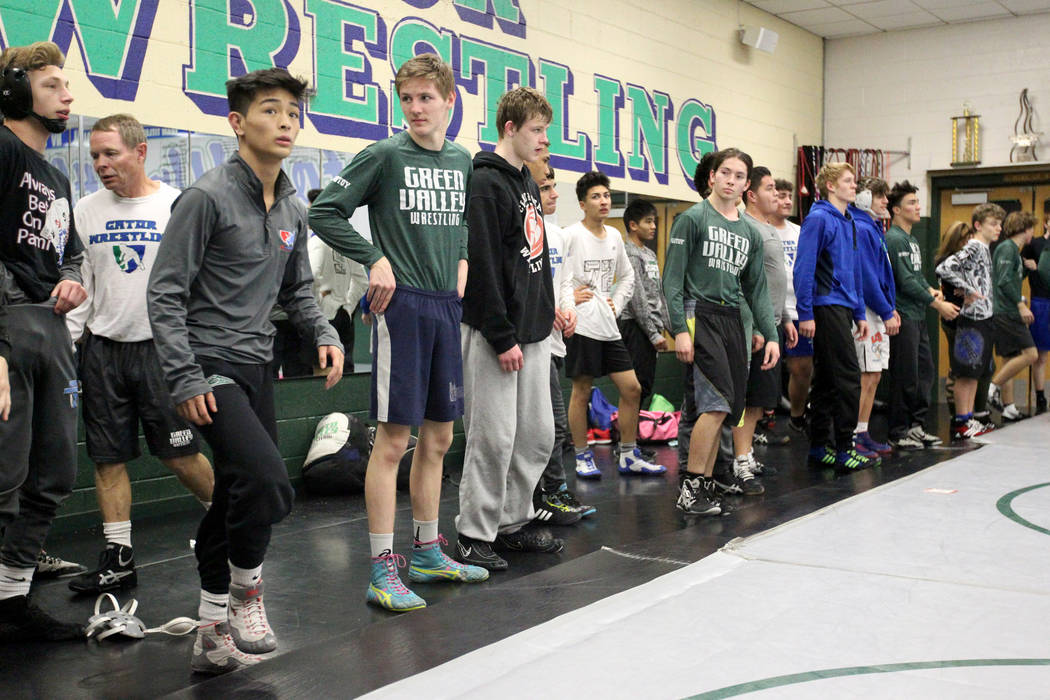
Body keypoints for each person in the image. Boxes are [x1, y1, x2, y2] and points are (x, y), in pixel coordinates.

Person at [148, 67, 344, 673]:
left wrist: (322, 330)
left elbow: (299, 287)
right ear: (237, 122)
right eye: (269, 111)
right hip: (208, 365)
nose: (286, 121)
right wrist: (183, 377)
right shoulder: (205, 197)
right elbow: (164, 293)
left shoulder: (291, 203)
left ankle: (210, 631)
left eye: (292, 112)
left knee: (240, 491)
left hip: (258, 363)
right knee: (265, 482)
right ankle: (245, 595)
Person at [309, 54, 488, 608]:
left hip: (444, 307)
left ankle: (429, 550)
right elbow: (325, 212)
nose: (414, 107)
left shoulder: (464, 161)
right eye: (406, 97)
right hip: (402, 306)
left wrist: (461, 261)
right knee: (392, 442)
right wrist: (374, 260)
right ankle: (382, 567)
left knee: (439, 438)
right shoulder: (385, 154)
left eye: (425, 97)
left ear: (449, 101)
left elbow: (460, 222)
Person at [64, 114, 215, 595]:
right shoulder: (85, 210)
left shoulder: (176, 205)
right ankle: (119, 557)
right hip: (103, 351)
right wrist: (70, 343)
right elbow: (81, 285)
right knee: (107, 460)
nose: (101, 164)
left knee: (181, 454)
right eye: (95, 156)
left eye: (111, 154)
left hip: (162, 351)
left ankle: (231, 525)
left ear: (140, 151)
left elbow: (200, 281)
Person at [456, 87, 568, 570]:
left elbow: (532, 260)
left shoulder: (525, 181)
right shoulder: (485, 181)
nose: (544, 140)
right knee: (492, 436)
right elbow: (481, 264)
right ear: (510, 129)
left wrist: (547, 314)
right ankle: (472, 532)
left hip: (535, 331)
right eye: (537, 130)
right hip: (495, 332)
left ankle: (511, 523)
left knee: (538, 435)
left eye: (545, 130)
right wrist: (502, 336)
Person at [0, 40, 88, 642]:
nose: (67, 95)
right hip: (6, 327)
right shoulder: (1, 149)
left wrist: (73, 282)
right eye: (53, 84)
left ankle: (11, 600)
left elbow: (73, 254)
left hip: (50, 331)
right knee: (2, 479)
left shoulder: (56, 176)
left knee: (52, 473)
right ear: (14, 89)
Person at [664, 148, 779, 516]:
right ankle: (691, 487)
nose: (731, 180)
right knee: (712, 407)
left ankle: (707, 482)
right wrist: (680, 329)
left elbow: (757, 288)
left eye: (739, 175)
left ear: (747, 185)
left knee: (727, 407)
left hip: (732, 321)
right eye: (725, 172)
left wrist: (771, 333)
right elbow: (672, 280)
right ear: (712, 177)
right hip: (702, 316)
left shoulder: (750, 232)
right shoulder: (692, 219)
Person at [561, 171, 664, 479]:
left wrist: (616, 304)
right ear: (582, 203)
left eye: (606, 195)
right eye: (596, 196)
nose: (603, 201)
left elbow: (628, 276)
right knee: (581, 390)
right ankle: (581, 455)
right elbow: (562, 279)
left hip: (609, 325)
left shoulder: (616, 237)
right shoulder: (571, 235)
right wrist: (568, 307)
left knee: (632, 388)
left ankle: (629, 454)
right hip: (581, 325)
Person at [794, 162, 878, 470]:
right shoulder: (818, 219)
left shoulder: (849, 221)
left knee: (828, 379)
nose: (854, 186)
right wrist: (805, 312)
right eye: (848, 181)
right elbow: (804, 268)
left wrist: (859, 312)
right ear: (830, 185)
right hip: (825, 305)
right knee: (848, 377)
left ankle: (819, 446)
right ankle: (845, 448)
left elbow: (853, 269)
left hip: (844, 306)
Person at [528, 159, 593, 522]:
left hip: (553, 342)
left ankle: (552, 492)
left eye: (554, 187)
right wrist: (546, 310)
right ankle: (548, 493)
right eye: (546, 188)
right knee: (550, 424)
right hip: (530, 341)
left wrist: (567, 310)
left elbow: (564, 282)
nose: (554, 195)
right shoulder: (524, 230)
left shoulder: (557, 235)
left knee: (553, 425)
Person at [734, 166, 795, 494]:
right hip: (754, 328)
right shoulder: (746, 228)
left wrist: (784, 318)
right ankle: (739, 460)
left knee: (760, 400)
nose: (777, 195)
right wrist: (757, 326)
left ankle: (748, 454)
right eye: (770, 189)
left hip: (771, 324)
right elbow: (746, 284)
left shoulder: (769, 229)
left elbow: (773, 280)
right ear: (752, 195)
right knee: (746, 398)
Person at [884, 180, 958, 449]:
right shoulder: (893, 239)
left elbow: (915, 276)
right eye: (911, 203)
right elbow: (904, 281)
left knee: (924, 372)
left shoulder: (912, 239)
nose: (918, 207)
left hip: (917, 315)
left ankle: (916, 425)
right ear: (896, 210)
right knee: (905, 375)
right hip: (903, 315)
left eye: (918, 202)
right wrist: (937, 304)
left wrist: (930, 289)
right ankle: (898, 430)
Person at [935, 203, 1002, 440]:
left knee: (976, 373)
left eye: (1000, 224)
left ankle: (969, 418)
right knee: (966, 373)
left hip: (984, 317)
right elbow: (945, 267)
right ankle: (962, 422)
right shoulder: (974, 247)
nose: (998, 228)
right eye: (993, 224)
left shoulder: (984, 249)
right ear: (978, 225)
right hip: (971, 319)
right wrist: (966, 288)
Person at [848, 177, 899, 457]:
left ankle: (863, 431)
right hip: (867, 311)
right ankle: (854, 434)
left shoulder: (873, 227)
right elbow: (867, 277)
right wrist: (885, 309)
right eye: (880, 196)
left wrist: (889, 307)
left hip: (877, 309)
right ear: (864, 197)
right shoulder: (863, 227)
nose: (885, 201)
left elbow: (879, 275)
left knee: (874, 374)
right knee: (867, 374)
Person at [306, 187, 369, 368]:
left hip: (322, 316)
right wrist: (347, 305)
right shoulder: (347, 243)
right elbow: (362, 281)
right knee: (344, 367)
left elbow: (310, 276)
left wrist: (316, 304)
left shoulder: (316, 242)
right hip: (343, 314)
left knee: (320, 369)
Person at [618, 198, 671, 411]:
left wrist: (673, 329)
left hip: (651, 328)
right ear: (633, 225)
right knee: (635, 387)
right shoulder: (629, 253)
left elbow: (658, 294)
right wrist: (652, 333)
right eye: (648, 222)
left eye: (654, 222)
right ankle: (628, 440)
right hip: (636, 328)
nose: (653, 227)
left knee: (645, 385)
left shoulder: (648, 254)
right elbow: (636, 298)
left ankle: (635, 437)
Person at [988, 210, 1038, 420]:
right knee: (1031, 354)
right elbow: (1004, 281)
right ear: (1025, 230)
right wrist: (1020, 305)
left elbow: (1010, 277)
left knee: (1009, 358)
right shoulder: (1008, 249)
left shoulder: (1013, 252)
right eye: (1032, 230)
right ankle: (992, 387)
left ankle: (1008, 407)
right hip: (1006, 312)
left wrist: (1027, 269)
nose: (1033, 235)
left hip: (1005, 310)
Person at [771, 178, 811, 435]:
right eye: (780, 196)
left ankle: (797, 415)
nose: (786, 201)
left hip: (797, 309)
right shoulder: (760, 229)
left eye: (789, 196)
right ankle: (763, 418)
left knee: (802, 368)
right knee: (766, 369)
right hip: (769, 309)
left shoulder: (799, 232)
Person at [1020, 201, 1050, 414]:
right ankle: (1040, 396)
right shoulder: (1035, 244)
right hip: (1041, 301)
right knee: (1041, 354)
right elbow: (1021, 266)